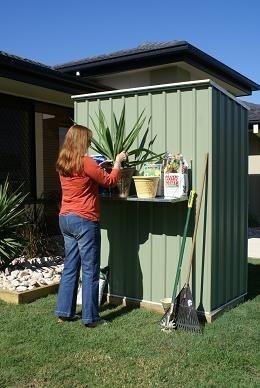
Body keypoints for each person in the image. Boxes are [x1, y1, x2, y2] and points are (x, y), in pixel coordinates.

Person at [54, 124, 127, 328]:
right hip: (85, 220)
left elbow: (85, 180)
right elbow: (110, 180)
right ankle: (91, 318)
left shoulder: (63, 162)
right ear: (81, 141)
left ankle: (64, 312)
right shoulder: (86, 162)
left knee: (70, 266)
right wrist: (118, 162)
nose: (89, 143)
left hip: (65, 219)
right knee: (90, 269)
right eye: (87, 139)